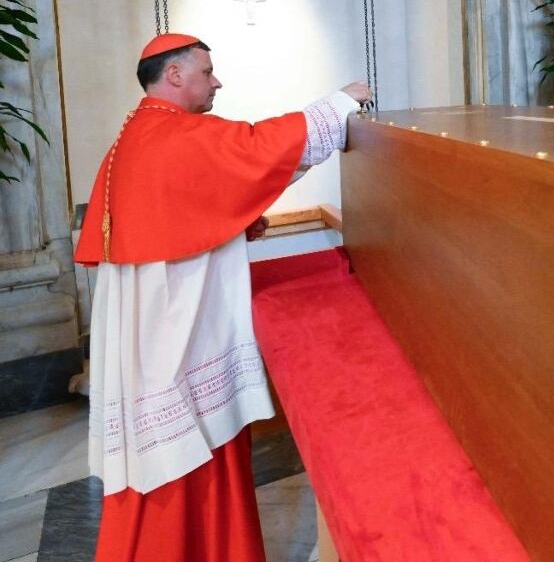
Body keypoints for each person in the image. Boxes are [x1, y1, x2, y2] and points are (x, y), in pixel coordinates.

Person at [74, 32, 371, 562]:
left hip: (158, 324)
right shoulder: (172, 134)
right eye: (207, 71)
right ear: (174, 76)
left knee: (185, 448)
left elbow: (191, 204)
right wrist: (340, 102)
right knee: (184, 446)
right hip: (174, 331)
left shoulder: (142, 135)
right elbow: (258, 148)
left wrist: (233, 225)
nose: (217, 81)